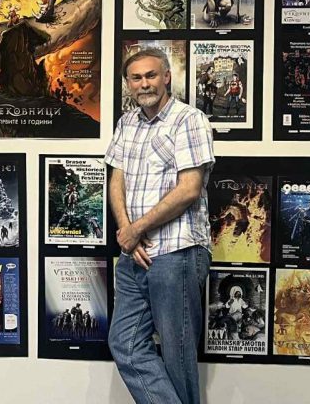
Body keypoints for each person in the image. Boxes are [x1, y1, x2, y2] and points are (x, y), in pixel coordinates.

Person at [106, 48, 215, 404]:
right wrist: (127, 232)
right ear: (128, 84)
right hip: (133, 255)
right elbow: (116, 181)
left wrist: (136, 229)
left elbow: (189, 189)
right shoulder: (127, 123)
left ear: (166, 76)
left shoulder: (189, 119)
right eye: (136, 78)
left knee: (177, 357)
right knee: (125, 344)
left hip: (176, 253)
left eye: (151, 75)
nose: (144, 84)